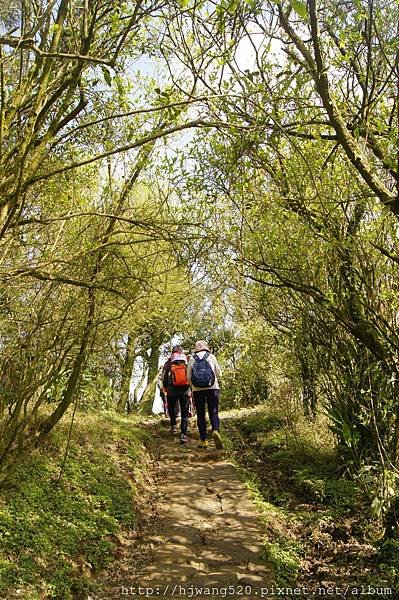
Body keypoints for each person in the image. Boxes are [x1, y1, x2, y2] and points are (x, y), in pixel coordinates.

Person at [187, 340, 223, 449]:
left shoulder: (192, 358)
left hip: (197, 390)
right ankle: (215, 430)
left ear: (196, 348)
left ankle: (203, 441)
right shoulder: (211, 356)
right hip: (213, 388)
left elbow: (188, 377)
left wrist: (193, 387)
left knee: (201, 414)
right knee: (213, 411)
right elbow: (219, 373)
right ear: (206, 347)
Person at [162, 345, 190, 444]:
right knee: (184, 413)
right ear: (181, 351)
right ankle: (183, 434)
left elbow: (165, 376)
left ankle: (173, 425)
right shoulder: (186, 360)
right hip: (184, 390)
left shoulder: (169, 362)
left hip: (172, 390)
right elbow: (190, 374)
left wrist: (165, 387)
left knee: (171, 408)